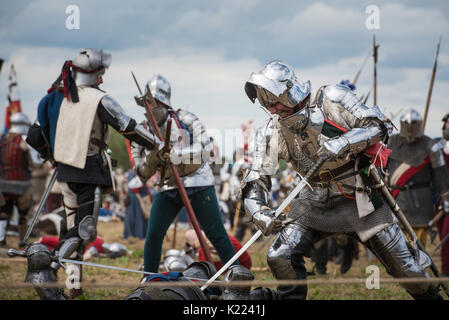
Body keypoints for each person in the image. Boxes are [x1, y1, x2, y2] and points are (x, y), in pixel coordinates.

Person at [238, 60, 443, 300]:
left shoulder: (332, 98)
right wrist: (258, 212)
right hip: (313, 200)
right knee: (280, 256)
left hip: (358, 199)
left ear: (288, 90)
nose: (271, 108)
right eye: (265, 102)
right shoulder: (271, 129)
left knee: (408, 270)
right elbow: (256, 175)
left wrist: (345, 142)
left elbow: (379, 125)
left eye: (272, 99)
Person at [23, 48, 160, 299]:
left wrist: (54, 154)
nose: (102, 79)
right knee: (83, 231)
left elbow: (33, 136)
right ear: (93, 74)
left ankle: (72, 286)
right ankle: (46, 266)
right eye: (100, 74)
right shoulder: (99, 99)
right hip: (89, 173)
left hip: (65, 173)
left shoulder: (54, 98)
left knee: (74, 230)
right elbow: (127, 127)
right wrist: (156, 144)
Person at [131, 74, 237, 273]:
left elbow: (207, 149)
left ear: (163, 102)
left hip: (198, 183)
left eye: (154, 102)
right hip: (168, 186)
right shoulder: (142, 132)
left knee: (216, 233)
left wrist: (175, 154)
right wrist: (154, 157)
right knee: (153, 234)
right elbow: (142, 174)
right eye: (147, 104)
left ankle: (238, 276)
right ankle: (149, 278)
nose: (151, 108)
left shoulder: (187, 119)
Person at [386, 109, 449, 247]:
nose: (410, 128)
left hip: (421, 201)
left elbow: (441, 177)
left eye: (413, 124)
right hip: (395, 199)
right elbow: (380, 170)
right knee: (397, 247)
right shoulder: (390, 143)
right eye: (407, 124)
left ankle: (417, 268)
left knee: (418, 247)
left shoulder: (431, 146)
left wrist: (445, 196)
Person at [0, 112, 33, 248]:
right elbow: (35, 162)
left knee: (3, 211)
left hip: (3, 182)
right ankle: (23, 240)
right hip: (22, 183)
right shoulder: (25, 140)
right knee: (23, 214)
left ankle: (1, 239)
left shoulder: (3, 139)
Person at [436, 113, 449, 276]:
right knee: (442, 235)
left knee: (447, 236)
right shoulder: (438, 147)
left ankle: (446, 270)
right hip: (439, 197)